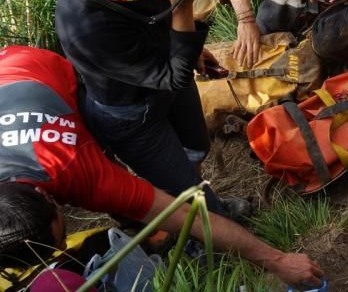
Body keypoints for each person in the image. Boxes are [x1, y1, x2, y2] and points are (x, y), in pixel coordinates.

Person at [0, 46, 323, 289]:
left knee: (108, 145)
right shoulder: (59, 185)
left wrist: (278, 261)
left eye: (59, 240)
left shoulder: (77, 168)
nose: (61, 247)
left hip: (32, 66)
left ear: (48, 196)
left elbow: (185, 213)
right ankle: (140, 225)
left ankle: (141, 222)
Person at [50, 0, 236, 218]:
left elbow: (154, 21)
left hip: (162, 72)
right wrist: (184, 5)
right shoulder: (86, 24)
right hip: (131, 114)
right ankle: (209, 233)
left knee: (196, 148)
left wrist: (188, 41)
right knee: (183, 190)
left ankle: (209, 206)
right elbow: (173, 77)